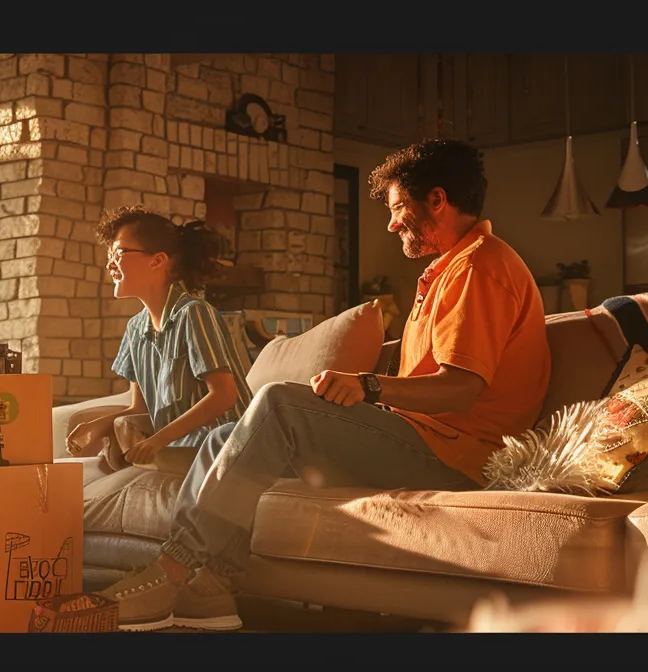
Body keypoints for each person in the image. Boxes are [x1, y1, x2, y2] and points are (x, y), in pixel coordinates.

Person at [94, 138, 551, 632]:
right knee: (224, 436)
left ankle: (171, 570)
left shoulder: (480, 267)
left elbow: (461, 389)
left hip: (458, 455)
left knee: (277, 404)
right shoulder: (448, 271)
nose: (393, 222)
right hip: (425, 439)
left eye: (399, 208)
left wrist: (369, 387)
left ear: (437, 200)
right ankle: (214, 591)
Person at [66, 207, 254, 476]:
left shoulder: (194, 313)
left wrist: (158, 439)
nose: (110, 265)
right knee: (93, 469)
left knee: (108, 469)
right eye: (109, 256)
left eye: (118, 253)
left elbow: (223, 395)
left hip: (225, 446)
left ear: (157, 261)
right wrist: (97, 425)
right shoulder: (135, 329)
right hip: (176, 447)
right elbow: (139, 408)